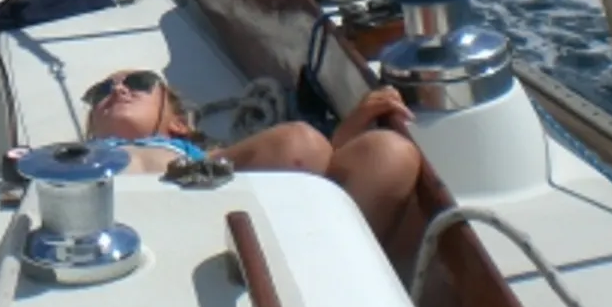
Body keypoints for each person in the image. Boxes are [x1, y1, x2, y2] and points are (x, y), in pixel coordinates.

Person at [83, 69, 422, 247]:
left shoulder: (204, 156)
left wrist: (344, 138)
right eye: (102, 91)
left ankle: (333, 275)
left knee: (388, 154)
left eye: (139, 82)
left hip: (207, 210)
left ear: (179, 124)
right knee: (300, 143)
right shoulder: (74, 160)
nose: (118, 89)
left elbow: (301, 159)